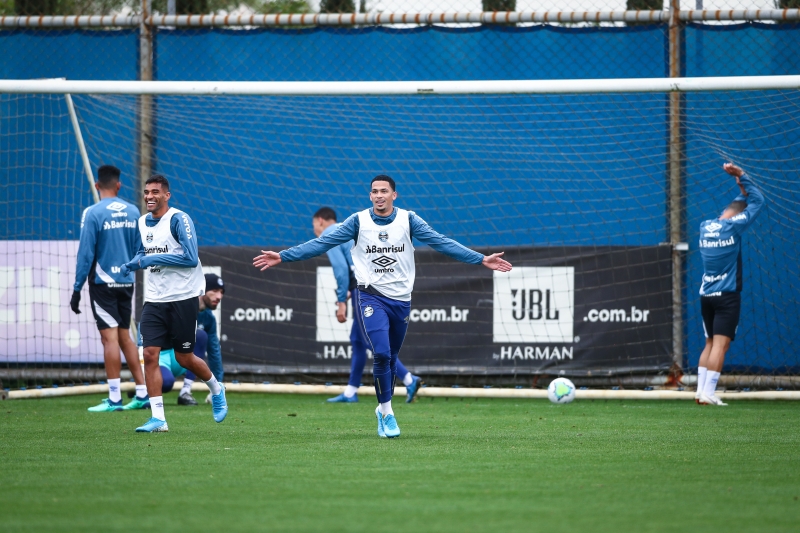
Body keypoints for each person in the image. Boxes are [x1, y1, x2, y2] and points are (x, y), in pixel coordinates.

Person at [254, 175, 512, 437]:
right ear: (370, 196)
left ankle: (382, 404)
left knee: (390, 361)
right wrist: (283, 256)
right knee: (382, 353)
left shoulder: (409, 220)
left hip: (400, 299)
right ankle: (387, 411)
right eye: (374, 191)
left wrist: (481, 259)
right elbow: (321, 243)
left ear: (394, 195)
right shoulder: (357, 222)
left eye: (384, 191)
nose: (379, 195)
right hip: (370, 295)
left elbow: (441, 242)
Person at [121, 174, 228, 432]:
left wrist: (150, 261)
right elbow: (144, 252)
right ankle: (159, 418)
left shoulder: (179, 219)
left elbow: (191, 258)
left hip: (183, 297)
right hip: (155, 299)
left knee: (185, 357)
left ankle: (216, 387)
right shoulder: (142, 223)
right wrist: (133, 262)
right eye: (147, 192)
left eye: (155, 192)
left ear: (166, 195)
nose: (149, 196)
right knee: (149, 354)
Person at [312, 207, 422, 404]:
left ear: (320, 221)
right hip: (375, 284)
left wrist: (340, 302)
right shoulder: (349, 227)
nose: (315, 229)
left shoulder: (330, 234)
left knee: (371, 342)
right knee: (357, 340)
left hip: (363, 290)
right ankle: (350, 392)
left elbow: (341, 271)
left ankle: (408, 379)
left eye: (314, 225)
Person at [70, 165, 149, 412]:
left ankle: (115, 398)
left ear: (97, 186)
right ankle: (143, 393)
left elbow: (86, 253)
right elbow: (140, 249)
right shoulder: (134, 210)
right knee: (125, 336)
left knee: (110, 339)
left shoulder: (93, 213)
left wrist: (76, 288)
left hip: (103, 284)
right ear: (118, 185)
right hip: (126, 283)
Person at [695, 163, 765, 406]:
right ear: (738, 217)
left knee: (709, 343)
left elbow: (737, 207)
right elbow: (758, 202)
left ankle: (699, 391)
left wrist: (740, 190)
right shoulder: (734, 228)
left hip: (706, 295)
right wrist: (742, 177)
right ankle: (709, 392)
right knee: (721, 346)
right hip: (726, 295)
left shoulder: (705, 227)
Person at [177, 273, 226, 406]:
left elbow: (214, 351)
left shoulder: (209, 318)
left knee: (201, 336)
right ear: (202, 289)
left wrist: (218, 386)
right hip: (166, 360)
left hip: (185, 363)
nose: (219, 296)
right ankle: (142, 385)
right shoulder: (182, 305)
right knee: (165, 383)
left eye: (221, 292)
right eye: (214, 291)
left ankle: (185, 391)